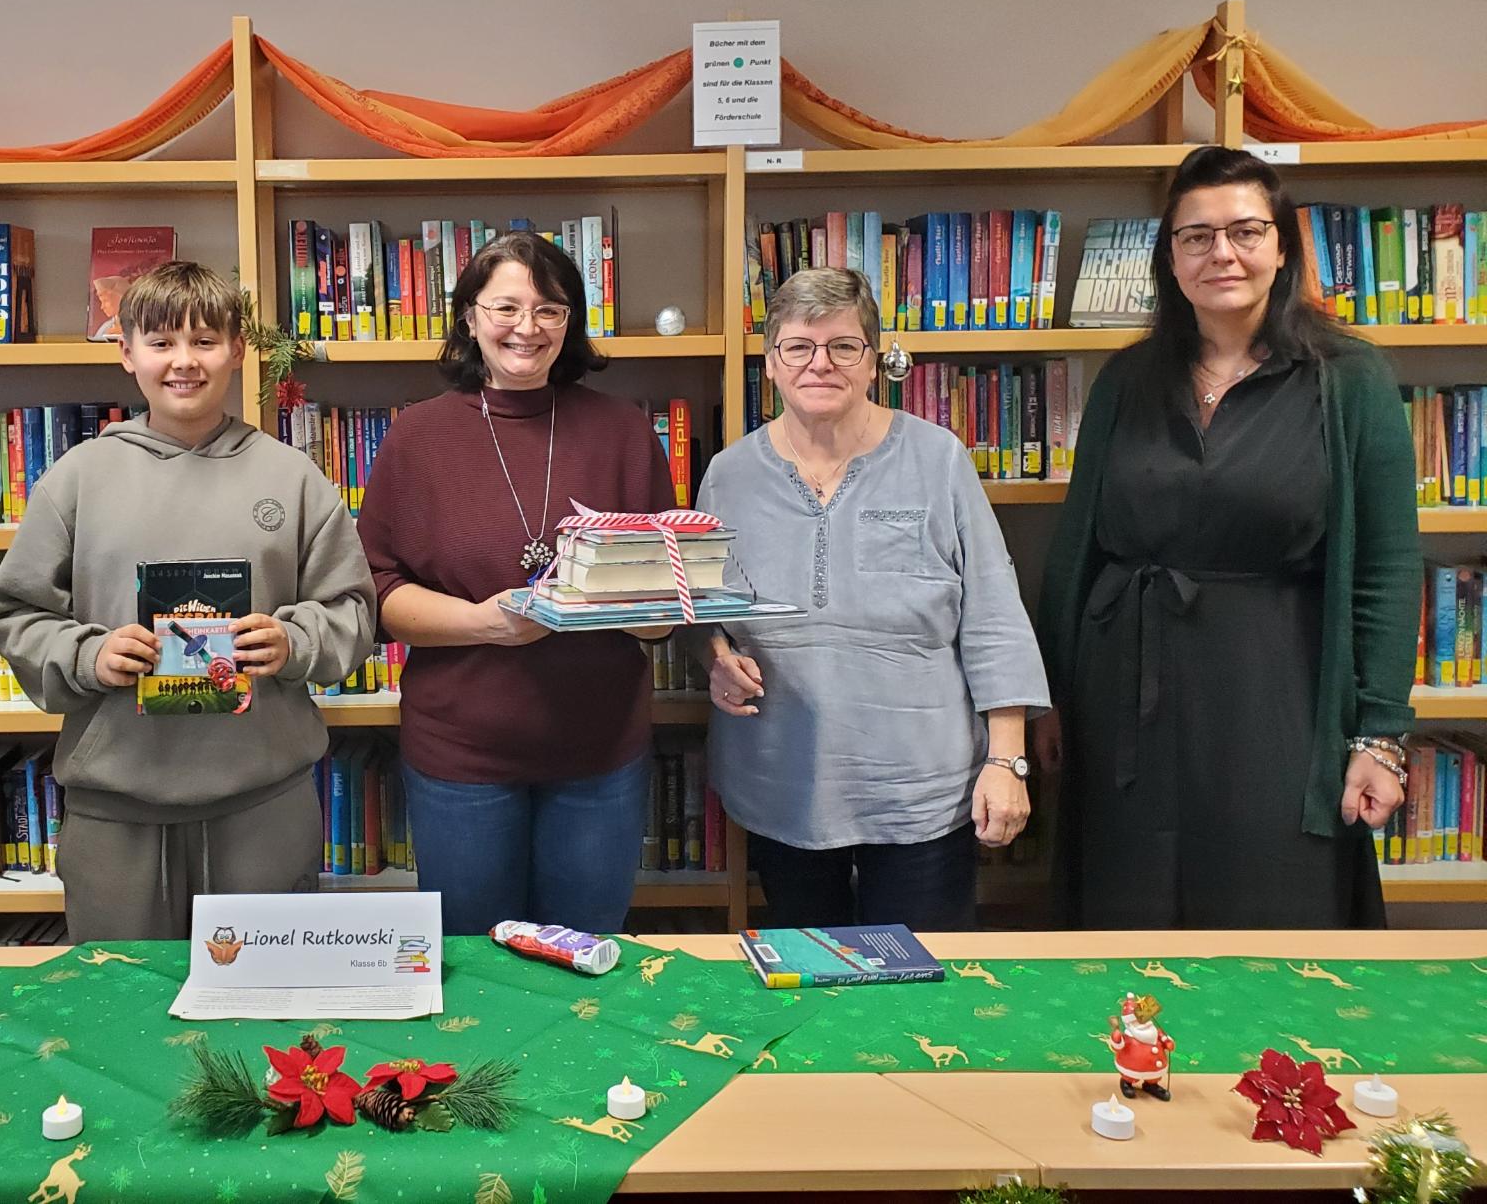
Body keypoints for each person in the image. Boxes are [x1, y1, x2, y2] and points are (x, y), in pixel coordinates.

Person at [1037, 145, 1416, 928]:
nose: (1223, 254)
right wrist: (1049, 699)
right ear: (1169, 257)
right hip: (1123, 696)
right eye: (1196, 236)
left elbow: (1384, 563)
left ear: (1282, 247)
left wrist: (1379, 733)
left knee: (1273, 896)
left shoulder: (1349, 378)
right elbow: (1079, 548)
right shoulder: (1126, 379)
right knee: (1129, 905)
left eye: (1245, 231)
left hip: (1278, 688)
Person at [0, 260, 375, 940]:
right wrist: (88, 654)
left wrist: (293, 641)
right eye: (162, 343)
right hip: (116, 811)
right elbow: (13, 615)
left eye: (204, 341)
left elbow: (354, 611)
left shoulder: (293, 476)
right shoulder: (77, 479)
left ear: (237, 351)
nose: (184, 362)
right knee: (120, 1018)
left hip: (265, 807)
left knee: (264, 1018)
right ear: (126, 352)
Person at [695, 267, 1048, 932]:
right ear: (771, 363)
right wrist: (713, 654)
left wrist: (1006, 759)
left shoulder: (937, 459)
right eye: (798, 347)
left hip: (923, 791)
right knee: (810, 995)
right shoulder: (728, 475)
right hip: (783, 785)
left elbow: (994, 616)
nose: (819, 364)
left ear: (874, 361)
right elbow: (704, 608)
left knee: (921, 999)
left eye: (843, 347)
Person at [355, 232, 674, 936]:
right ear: (469, 316)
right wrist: (483, 624)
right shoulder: (418, 437)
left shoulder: (623, 432)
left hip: (599, 754)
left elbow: (664, 607)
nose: (527, 328)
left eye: (550, 310)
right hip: (460, 756)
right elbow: (377, 589)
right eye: (506, 307)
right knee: (473, 970)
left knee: (587, 960)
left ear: (571, 323)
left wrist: (623, 606)